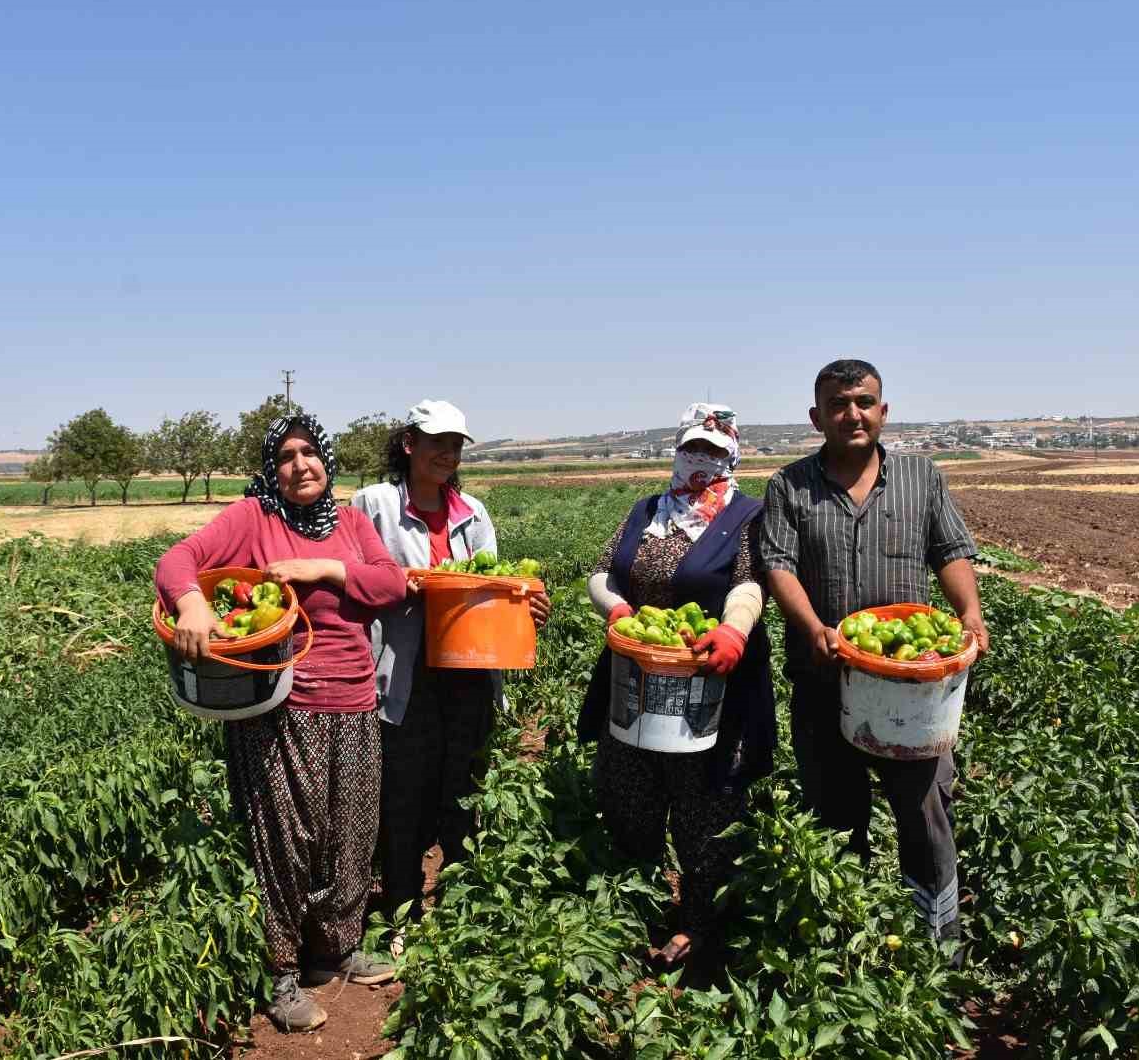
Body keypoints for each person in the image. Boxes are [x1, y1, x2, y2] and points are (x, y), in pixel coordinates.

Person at [155, 411, 406, 1033]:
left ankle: (338, 948)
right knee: (283, 835)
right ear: (273, 468)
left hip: (353, 698)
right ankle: (283, 971)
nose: (301, 466)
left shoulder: (349, 522)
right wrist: (190, 602)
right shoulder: (253, 519)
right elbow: (177, 560)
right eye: (287, 456)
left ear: (327, 459)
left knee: (351, 828)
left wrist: (324, 569)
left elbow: (391, 586)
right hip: (281, 702)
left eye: (310, 452)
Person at [759, 359, 989, 944]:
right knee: (835, 815)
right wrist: (812, 626)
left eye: (863, 402)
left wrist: (970, 614)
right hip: (824, 676)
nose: (852, 414)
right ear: (817, 417)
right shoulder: (789, 486)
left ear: (883, 411)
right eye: (838, 404)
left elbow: (951, 550)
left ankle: (937, 942)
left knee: (924, 811)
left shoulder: (921, 478)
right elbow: (778, 566)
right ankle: (847, 942)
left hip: (911, 687)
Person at [577, 402, 776, 970]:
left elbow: (750, 584)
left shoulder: (747, 515)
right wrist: (614, 609)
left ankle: (701, 928)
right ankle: (632, 913)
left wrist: (734, 631)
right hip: (637, 676)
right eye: (691, 448)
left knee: (706, 806)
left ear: (732, 455)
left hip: (712, 681)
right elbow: (602, 571)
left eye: (713, 451)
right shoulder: (647, 510)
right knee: (628, 791)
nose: (699, 459)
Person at [352, 399, 551, 943]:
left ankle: (464, 907)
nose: (447, 452)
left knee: (463, 786)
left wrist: (526, 604)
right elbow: (353, 574)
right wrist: (402, 580)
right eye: (436, 441)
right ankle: (401, 910)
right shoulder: (374, 504)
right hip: (405, 669)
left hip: (468, 668)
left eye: (456, 444)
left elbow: (492, 585)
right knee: (404, 792)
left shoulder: (474, 513)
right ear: (409, 444)